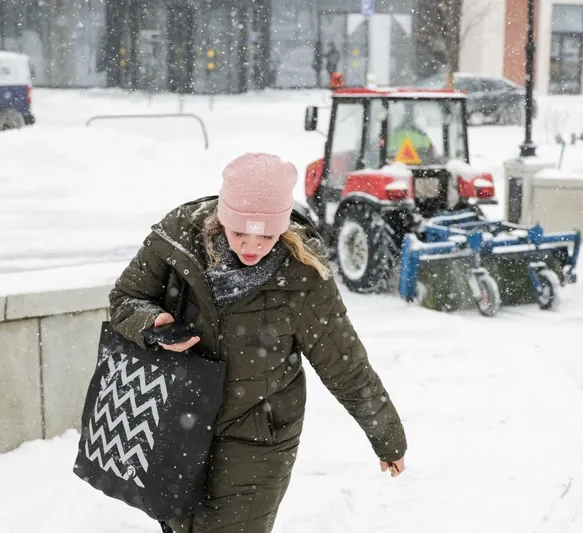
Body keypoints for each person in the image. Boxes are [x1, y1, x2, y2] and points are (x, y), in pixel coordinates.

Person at [108, 153, 407, 533]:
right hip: (176, 420)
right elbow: (124, 300)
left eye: (267, 235)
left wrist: (387, 436)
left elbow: (345, 364)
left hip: (257, 435)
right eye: (239, 233)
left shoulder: (303, 275)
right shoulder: (177, 240)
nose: (252, 246)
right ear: (222, 217)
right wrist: (154, 323)